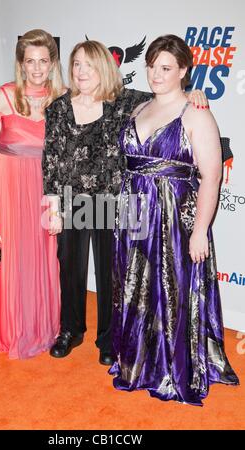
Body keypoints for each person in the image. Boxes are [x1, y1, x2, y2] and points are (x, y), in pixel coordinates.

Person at [43, 40, 206, 366]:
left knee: (110, 275)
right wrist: (53, 207)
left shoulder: (126, 102)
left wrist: (192, 95)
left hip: (113, 201)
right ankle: (70, 330)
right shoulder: (59, 107)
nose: (81, 71)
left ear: (103, 67)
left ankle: (108, 339)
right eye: (76, 64)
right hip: (72, 199)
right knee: (70, 270)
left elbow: (166, 98)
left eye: (89, 64)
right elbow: (51, 159)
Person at [109, 34, 239, 405]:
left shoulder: (196, 112)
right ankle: (138, 360)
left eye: (166, 68)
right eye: (152, 66)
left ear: (184, 70)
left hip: (174, 219)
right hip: (134, 212)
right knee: (136, 287)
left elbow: (211, 176)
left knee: (173, 291)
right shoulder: (137, 109)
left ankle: (171, 369)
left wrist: (200, 231)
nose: (156, 74)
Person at [0, 29, 63, 359]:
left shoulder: (61, 96)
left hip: (43, 187)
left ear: (52, 63)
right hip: (7, 184)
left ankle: (41, 325)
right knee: (12, 256)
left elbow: (106, 103)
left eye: (43, 61)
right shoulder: (4, 96)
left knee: (41, 255)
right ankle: (10, 327)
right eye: (30, 62)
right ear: (21, 64)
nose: (37, 68)